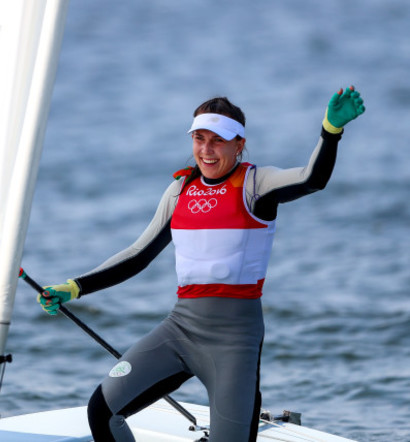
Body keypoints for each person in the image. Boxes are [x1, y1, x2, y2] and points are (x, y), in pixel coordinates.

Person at [37, 86, 365, 441]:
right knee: (102, 412)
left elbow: (310, 178)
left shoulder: (256, 184)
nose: (206, 150)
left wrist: (330, 132)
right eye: (199, 139)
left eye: (218, 141)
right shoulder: (180, 191)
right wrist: (74, 286)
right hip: (179, 331)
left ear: (239, 144)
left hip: (234, 342)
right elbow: (138, 254)